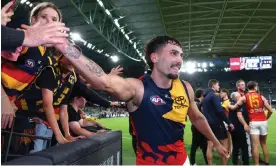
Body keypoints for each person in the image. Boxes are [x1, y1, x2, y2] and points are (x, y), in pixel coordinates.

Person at [52, 35, 229, 165]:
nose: (179, 60)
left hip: (182, 161)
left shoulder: (186, 87)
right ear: (155, 57)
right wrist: (64, 45)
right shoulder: (137, 88)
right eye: (174, 54)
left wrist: (215, 142)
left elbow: (198, 118)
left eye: (181, 55)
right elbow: (103, 82)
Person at [1, 2, 69, 129]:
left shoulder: (45, 56)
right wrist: (3, 98)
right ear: (33, 20)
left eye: (54, 19)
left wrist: (11, 100)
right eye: (44, 17)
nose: (49, 22)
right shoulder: (23, 38)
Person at [229, 81, 273, 165]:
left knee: (255, 146)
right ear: (255, 87)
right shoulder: (261, 96)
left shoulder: (245, 97)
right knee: (263, 144)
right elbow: (270, 110)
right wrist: (265, 118)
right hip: (263, 121)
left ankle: (256, 164)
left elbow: (235, 107)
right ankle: (267, 163)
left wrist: (229, 105)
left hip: (253, 122)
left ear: (248, 87)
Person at [202, 79, 234, 165]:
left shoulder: (205, 97)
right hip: (217, 123)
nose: (219, 87)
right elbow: (220, 111)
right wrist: (228, 122)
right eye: (218, 85)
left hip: (208, 124)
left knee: (210, 146)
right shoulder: (215, 95)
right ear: (213, 86)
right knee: (224, 145)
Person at [229, 92, 249, 165]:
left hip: (234, 128)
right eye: (239, 96)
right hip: (238, 127)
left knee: (236, 146)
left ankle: (235, 162)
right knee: (244, 146)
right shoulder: (237, 105)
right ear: (235, 98)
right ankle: (245, 162)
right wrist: (245, 125)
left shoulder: (232, 103)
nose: (241, 97)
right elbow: (239, 116)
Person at [190, 88, 208, 165]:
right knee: (194, 145)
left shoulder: (199, 103)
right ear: (201, 94)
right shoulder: (196, 103)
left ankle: (208, 162)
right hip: (197, 127)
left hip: (201, 127)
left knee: (204, 146)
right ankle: (193, 163)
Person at [220, 88, 232, 154]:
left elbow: (221, 110)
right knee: (227, 137)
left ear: (225, 93)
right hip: (225, 121)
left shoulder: (227, 102)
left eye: (222, 93)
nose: (220, 94)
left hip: (226, 121)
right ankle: (229, 150)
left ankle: (229, 151)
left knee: (228, 137)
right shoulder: (224, 101)